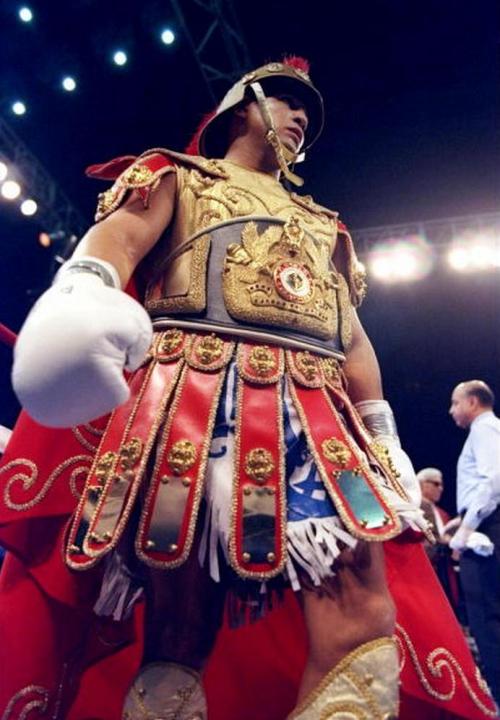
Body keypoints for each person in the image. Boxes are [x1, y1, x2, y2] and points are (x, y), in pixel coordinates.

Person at [0, 58, 496, 720]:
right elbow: (120, 236)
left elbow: (350, 335)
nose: (302, 121)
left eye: (310, 116)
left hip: (318, 422)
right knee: (179, 627)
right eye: (290, 103)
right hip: (190, 407)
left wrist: (381, 433)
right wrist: (84, 284)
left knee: (362, 609)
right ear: (244, 106)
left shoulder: (326, 224)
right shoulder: (176, 175)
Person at [449, 380, 500, 707]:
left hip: (487, 529)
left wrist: (466, 529)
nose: (451, 410)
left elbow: (493, 481)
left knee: (487, 617)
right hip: (489, 521)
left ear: (472, 402)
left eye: (454, 403)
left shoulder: (484, 429)